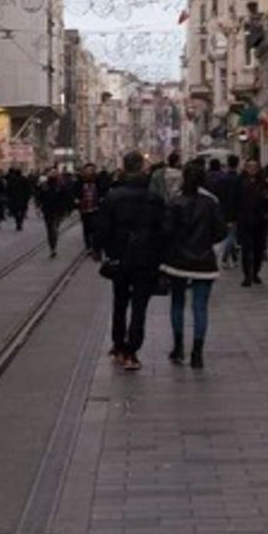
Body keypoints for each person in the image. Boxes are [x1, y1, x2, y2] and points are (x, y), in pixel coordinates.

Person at [96, 152, 164, 371]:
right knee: (139, 306)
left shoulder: (113, 196)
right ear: (143, 169)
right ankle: (131, 351)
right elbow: (163, 229)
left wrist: (103, 251)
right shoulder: (154, 196)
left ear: (124, 169)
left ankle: (118, 344)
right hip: (146, 259)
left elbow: (103, 229)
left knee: (120, 301)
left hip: (120, 258)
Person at [161, 162, 226, 369]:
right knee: (200, 307)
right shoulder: (211, 203)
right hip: (204, 261)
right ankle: (197, 353)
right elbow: (221, 232)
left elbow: (167, 232)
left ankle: (178, 347)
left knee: (177, 303)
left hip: (178, 260)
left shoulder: (175, 202)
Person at [234, 162, 268, 287]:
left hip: (260, 221)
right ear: (245, 168)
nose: (252, 169)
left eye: (255, 167)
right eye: (249, 166)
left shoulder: (264, 182)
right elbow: (235, 199)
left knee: (258, 249)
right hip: (244, 220)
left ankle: (255, 272)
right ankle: (247, 275)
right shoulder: (240, 182)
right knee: (246, 249)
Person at [38, 169, 74, 259]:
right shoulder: (44, 185)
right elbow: (39, 197)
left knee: (54, 229)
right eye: (51, 172)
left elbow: (66, 197)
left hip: (58, 210)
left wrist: (68, 209)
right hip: (47, 211)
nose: (52, 174)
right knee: (50, 230)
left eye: (54, 173)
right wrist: (39, 207)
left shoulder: (60, 185)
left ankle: (53, 246)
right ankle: (52, 248)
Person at [77, 163, 104, 256]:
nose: (89, 172)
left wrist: (101, 198)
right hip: (84, 208)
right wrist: (76, 200)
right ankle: (88, 245)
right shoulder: (80, 181)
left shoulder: (98, 180)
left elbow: (102, 190)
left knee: (95, 227)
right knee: (86, 228)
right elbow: (75, 191)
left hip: (95, 207)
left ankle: (94, 245)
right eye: (88, 170)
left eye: (91, 170)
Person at [6, 166, 34, 231]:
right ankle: (20, 222)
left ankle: (18, 221)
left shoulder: (11, 180)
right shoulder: (24, 179)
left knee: (15, 211)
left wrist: (9, 197)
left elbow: (8, 190)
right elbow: (28, 189)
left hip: (14, 199)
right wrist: (28, 197)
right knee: (22, 211)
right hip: (23, 199)